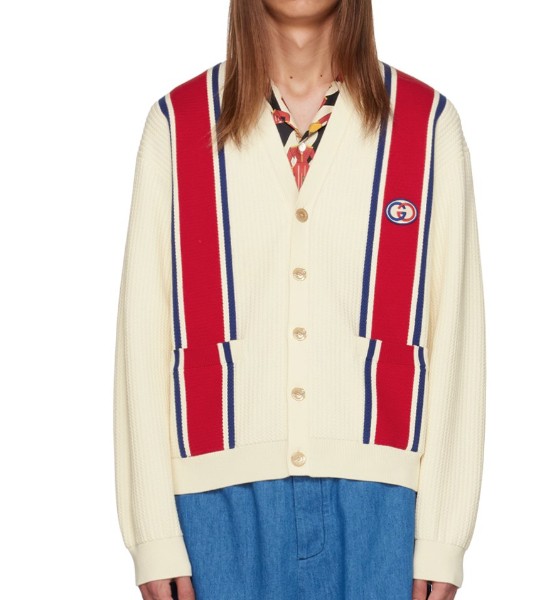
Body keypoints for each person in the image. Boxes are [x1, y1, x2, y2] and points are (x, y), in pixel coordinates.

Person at [112, 0, 486, 599]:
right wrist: (151, 532)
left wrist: (444, 535)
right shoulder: (178, 124)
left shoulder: (426, 124)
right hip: (214, 505)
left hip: (384, 507)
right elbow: (142, 331)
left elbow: (456, 335)